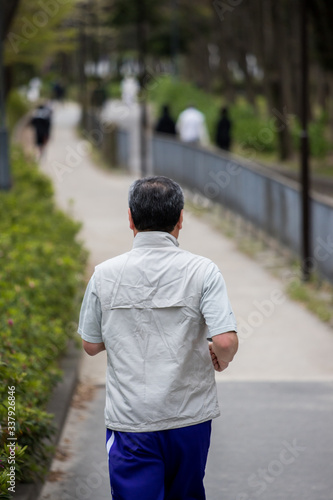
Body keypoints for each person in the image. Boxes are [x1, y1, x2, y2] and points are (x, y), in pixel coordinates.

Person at [78, 176, 238, 500]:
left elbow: (91, 345)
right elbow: (225, 341)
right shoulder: (203, 270)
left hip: (131, 422)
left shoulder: (104, 274)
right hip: (189, 418)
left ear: (130, 219)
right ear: (180, 218)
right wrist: (221, 357)